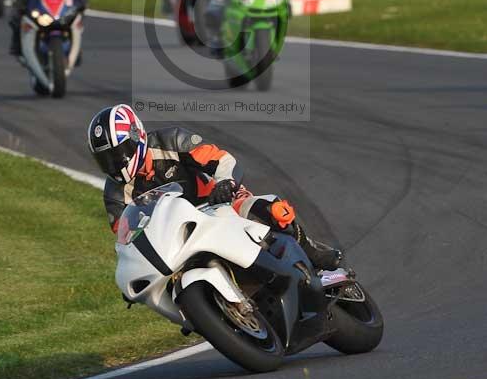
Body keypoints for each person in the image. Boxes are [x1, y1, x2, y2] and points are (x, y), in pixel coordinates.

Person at [87, 104, 342, 272]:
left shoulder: (171, 140)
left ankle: (311, 250)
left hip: (217, 203)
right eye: (106, 159)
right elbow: (125, 238)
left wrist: (225, 182)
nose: (115, 163)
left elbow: (221, 158)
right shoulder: (115, 192)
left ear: (136, 137)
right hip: (177, 237)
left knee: (270, 209)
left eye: (118, 153)